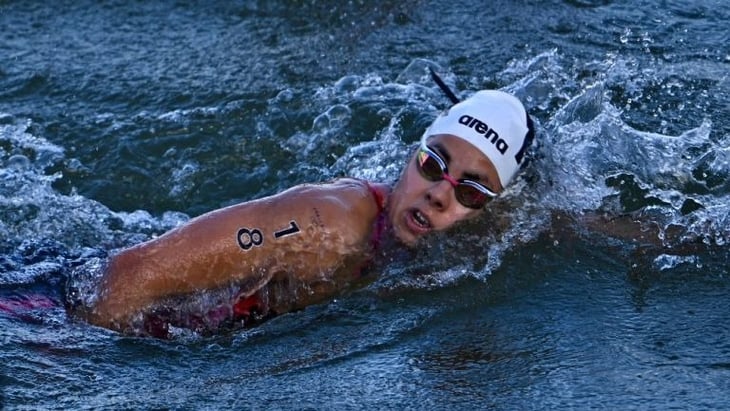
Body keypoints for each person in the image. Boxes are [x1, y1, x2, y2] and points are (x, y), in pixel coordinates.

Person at [73, 77, 536, 338]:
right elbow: (123, 279)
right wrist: (72, 359)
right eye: (432, 163)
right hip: (48, 309)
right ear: (408, 155)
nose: (439, 193)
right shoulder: (326, 226)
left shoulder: (466, 240)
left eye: (471, 192)